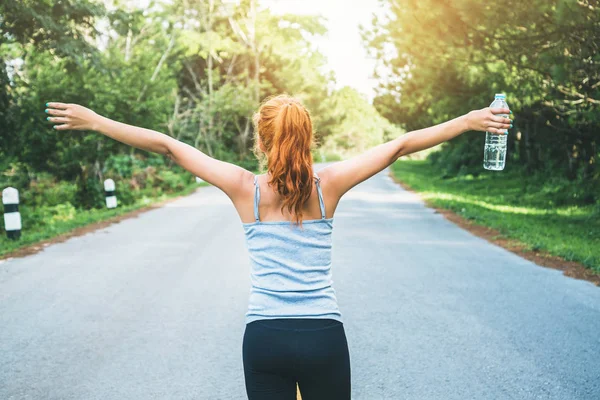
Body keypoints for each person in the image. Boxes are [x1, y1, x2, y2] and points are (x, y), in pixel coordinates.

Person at [44, 94, 511, 399]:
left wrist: (97, 121)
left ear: (261, 139)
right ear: (308, 138)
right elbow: (401, 145)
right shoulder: (329, 185)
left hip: (264, 338)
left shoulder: (244, 187)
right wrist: (470, 120)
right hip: (324, 337)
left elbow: (169, 147)